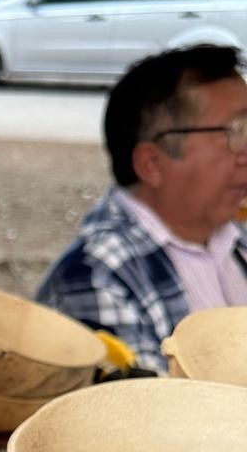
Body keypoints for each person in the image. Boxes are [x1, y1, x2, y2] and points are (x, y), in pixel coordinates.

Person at [37, 44, 247, 372]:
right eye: (236, 132)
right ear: (152, 163)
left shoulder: (233, 235)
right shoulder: (97, 277)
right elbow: (154, 418)